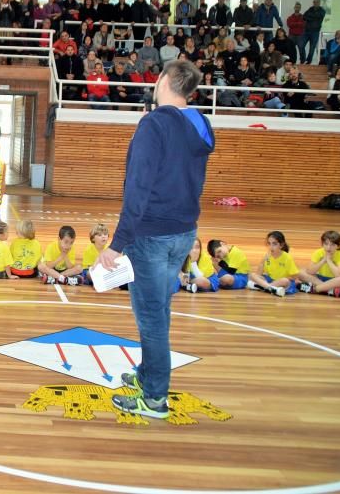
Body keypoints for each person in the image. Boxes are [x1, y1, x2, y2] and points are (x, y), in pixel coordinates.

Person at [97, 59, 214, 419]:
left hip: (151, 235)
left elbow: (139, 188)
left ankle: (155, 399)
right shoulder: (200, 122)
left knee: (151, 318)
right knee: (160, 310)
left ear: (164, 80)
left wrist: (117, 243)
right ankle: (148, 375)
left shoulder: (154, 124)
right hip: (184, 232)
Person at [296, 230, 340, 297]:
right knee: (300, 272)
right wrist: (323, 260)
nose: (328, 247)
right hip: (321, 279)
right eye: (326, 244)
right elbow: (310, 271)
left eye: (332, 245)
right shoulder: (318, 252)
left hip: (336, 282)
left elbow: (338, 275)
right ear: (322, 244)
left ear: (338, 246)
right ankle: (329, 290)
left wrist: (329, 260)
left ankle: (315, 289)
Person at [247, 231, 298, 297]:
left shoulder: (287, 258)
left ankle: (264, 287)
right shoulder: (268, 256)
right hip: (270, 280)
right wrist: (262, 262)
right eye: (269, 243)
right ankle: (271, 288)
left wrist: (279, 280)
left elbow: (294, 276)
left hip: (282, 282)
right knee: (252, 275)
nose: (271, 247)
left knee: (285, 281)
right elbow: (258, 274)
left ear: (281, 245)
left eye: (274, 244)